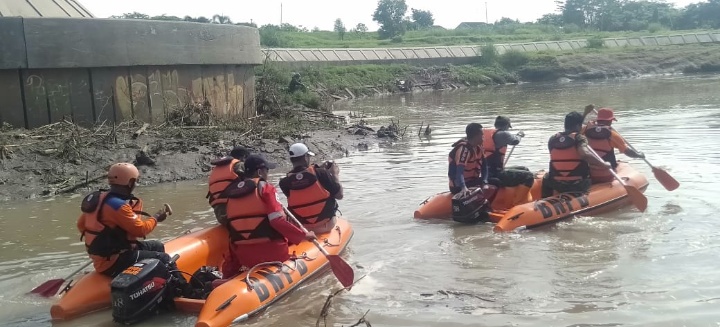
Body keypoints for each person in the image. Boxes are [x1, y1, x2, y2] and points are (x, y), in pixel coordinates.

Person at [220, 154, 316, 278]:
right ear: (260, 172)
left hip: (245, 257)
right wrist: (304, 235)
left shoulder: (230, 194)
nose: (268, 175)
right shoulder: (266, 188)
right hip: (272, 253)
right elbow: (277, 221)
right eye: (267, 171)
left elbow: (232, 230)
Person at [77, 163, 177, 278]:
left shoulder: (99, 200)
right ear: (130, 183)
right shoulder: (118, 206)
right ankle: (184, 289)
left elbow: (81, 225)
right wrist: (156, 217)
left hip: (110, 255)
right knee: (164, 258)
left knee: (157, 246)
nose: (135, 184)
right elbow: (141, 230)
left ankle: (156, 280)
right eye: (135, 181)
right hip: (113, 262)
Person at [541, 112, 612, 198]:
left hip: (556, 184)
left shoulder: (553, 139)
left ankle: (544, 199)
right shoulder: (579, 138)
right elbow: (585, 154)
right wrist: (603, 164)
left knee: (546, 177)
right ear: (578, 125)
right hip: (577, 185)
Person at [279, 143, 343, 234]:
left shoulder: (284, 182)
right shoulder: (321, 173)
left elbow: (301, 179)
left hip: (303, 228)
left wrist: (319, 169)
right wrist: (335, 174)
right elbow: (339, 195)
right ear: (305, 157)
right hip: (326, 225)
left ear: (291, 160)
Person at [581, 105, 645, 183]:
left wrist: (585, 113)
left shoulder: (585, 130)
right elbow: (627, 152)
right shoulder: (612, 134)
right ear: (610, 121)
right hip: (606, 175)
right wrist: (639, 155)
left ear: (598, 120)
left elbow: (574, 129)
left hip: (588, 174)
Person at [483, 116, 535, 207]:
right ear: (507, 125)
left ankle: (515, 196)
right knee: (529, 176)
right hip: (496, 174)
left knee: (524, 169)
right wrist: (519, 135)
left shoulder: (484, 134)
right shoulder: (502, 134)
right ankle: (517, 204)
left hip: (486, 173)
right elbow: (515, 141)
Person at [207, 146, 251, 225]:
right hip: (235, 213)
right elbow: (253, 183)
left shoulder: (216, 169)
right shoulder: (239, 165)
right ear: (244, 157)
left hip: (219, 215)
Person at [448, 123, 488, 196]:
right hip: (458, 186)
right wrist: (463, 187)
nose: (483, 137)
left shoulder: (479, 147)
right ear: (476, 136)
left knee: (495, 180)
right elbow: (459, 172)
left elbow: (484, 167)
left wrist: (484, 181)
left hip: (472, 181)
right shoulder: (464, 150)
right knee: (495, 181)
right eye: (482, 135)